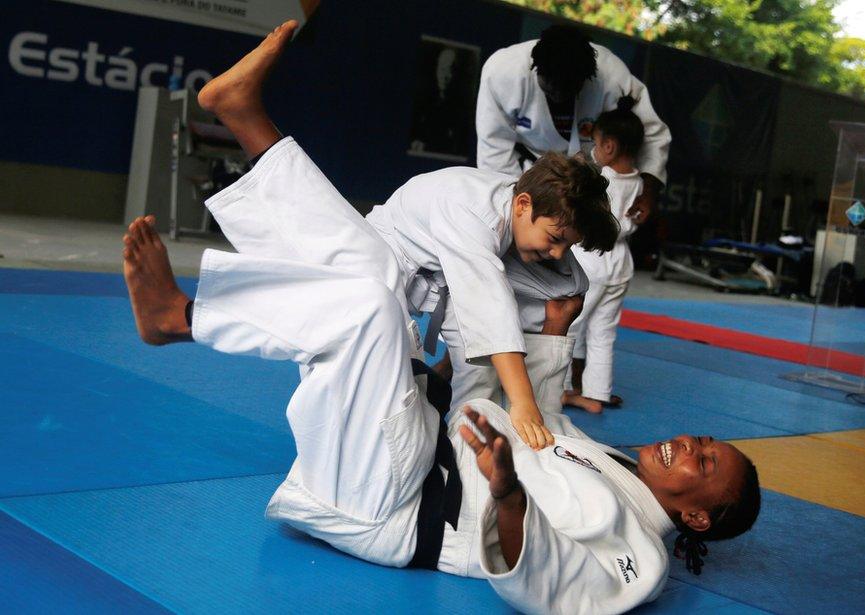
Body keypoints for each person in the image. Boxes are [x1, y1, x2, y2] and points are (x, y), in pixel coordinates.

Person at [120, 174, 760, 615]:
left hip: (391, 501)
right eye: (704, 441)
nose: (687, 444)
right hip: (416, 448)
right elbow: (520, 418)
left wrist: (508, 493)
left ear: (696, 518)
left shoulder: (641, 560)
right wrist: (555, 338)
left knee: (369, 310)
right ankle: (254, 136)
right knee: (372, 279)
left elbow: (541, 583)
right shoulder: (604, 460)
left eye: (703, 462)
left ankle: (181, 318)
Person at [196, 21, 619, 451]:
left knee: (557, 294)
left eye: (568, 244)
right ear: (524, 204)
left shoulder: (531, 220)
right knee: (350, 293)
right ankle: (242, 114)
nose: (557, 251)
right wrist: (525, 404)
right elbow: (488, 308)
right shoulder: (471, 210)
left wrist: (556, 334)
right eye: (555, 238)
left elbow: (561, 287)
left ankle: (465, 429)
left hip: (440, 278)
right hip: (389, 253)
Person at [475, 24, 670, 201]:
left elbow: (651, 133)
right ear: (536, 69)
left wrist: (648, 192)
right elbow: (494, 152)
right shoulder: (503, 73)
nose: (559, 95)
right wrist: (516, 200)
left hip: (593, 176)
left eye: (569, 89)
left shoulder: (611, 76)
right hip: (529, 169)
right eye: (551, 87)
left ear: (586, 78)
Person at [563, 96, 650, 413]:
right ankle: (598, 390)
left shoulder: (603, 180)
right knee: (603, 331)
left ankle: (560, 387)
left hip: (592, 262)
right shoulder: (638, 181)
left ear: (609, 147)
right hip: (620, 265)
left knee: (570, 324)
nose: (594, 150)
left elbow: (595, 219)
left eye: (596, 144)